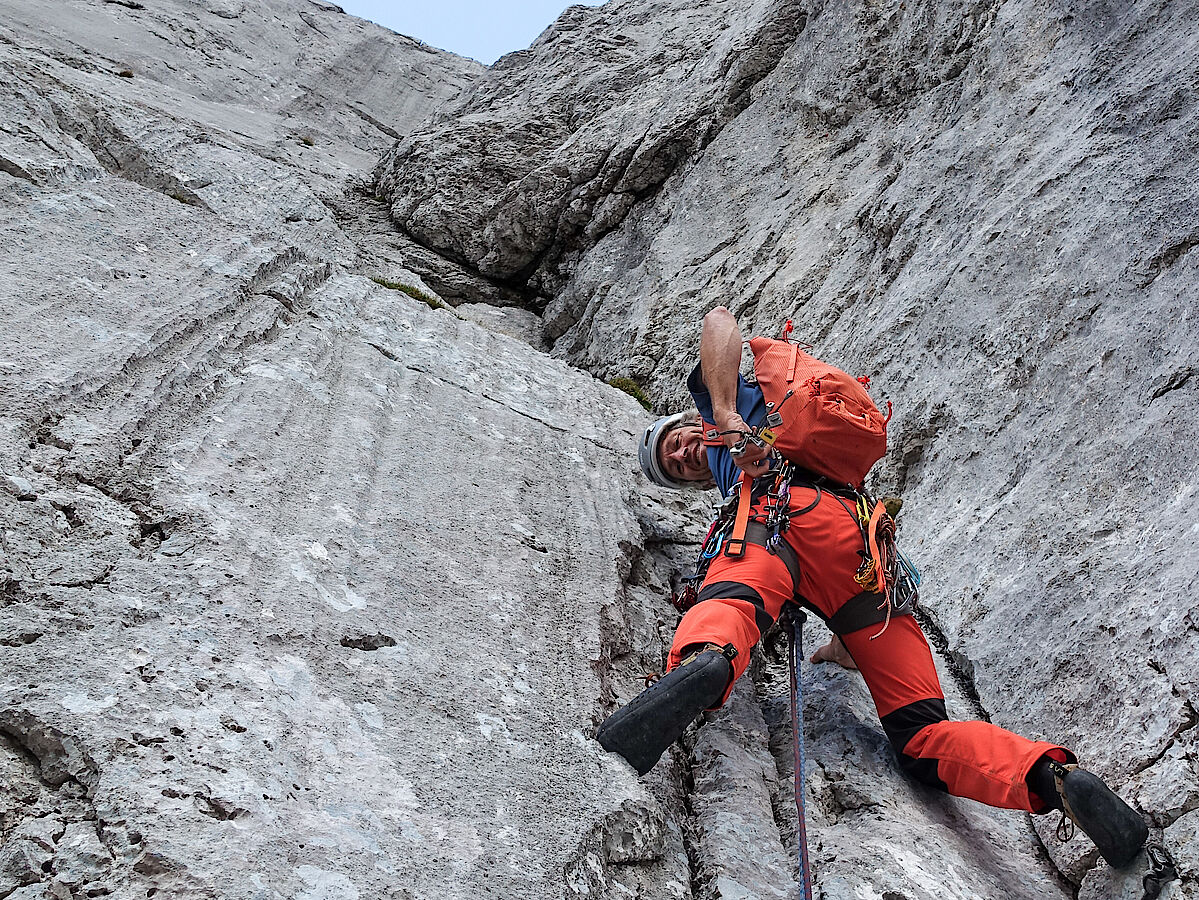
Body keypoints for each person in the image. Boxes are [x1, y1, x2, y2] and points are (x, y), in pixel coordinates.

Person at [598, 306, 1149, 869]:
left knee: (732, 600)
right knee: (921, 734)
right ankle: (1050, 775)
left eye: (675, 442)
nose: (685, 455)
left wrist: (720, 410)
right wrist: (846, 639)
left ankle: (706, 661)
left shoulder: (729, 407)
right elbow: (830, 568)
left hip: (771, 521)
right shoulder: (772, 453)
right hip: (860, 554)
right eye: (676, 467)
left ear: (682, 421)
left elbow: (718, 320)